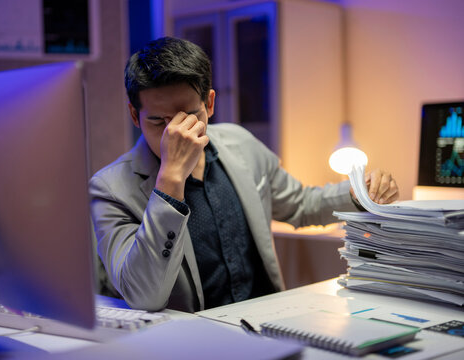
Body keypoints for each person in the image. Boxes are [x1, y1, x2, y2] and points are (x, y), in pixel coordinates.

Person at [89, 37, 399, 313]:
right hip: (192, 343)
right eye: (159, 121)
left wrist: (358, 192)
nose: (177, 134)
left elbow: (301, 204)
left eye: (189, 117)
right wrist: (170, 179)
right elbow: (144, 296)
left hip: (269, 323)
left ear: (210, 104)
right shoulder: (110, 189)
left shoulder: (240, 143)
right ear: (134, 115)